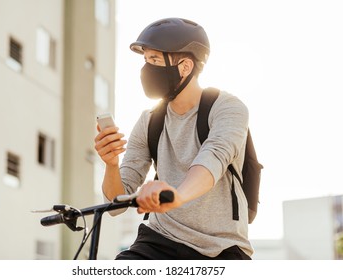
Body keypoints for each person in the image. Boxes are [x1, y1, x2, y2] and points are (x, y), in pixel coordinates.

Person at [94, 17, 253, 260]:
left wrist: (176, 196)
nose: (147, 68)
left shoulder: (228, 108)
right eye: (146, 60)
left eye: (155, 60)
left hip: (220, 247)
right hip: (159, 239)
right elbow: (116, 203)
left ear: (185, 66)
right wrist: (111, 164)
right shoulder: (149, 121)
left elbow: (213, 157)